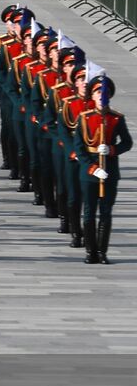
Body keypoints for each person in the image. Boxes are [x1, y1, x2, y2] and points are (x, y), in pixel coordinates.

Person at [78, 75, 131, 264]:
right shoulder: (84, 119)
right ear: (92, 96)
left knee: (106, 212)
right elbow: (79, 148)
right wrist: (93, 168)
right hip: (90, 173)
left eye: (105, 93)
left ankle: (102, 252)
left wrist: (112, 149)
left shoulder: (116, 118)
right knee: (89, 212)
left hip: (110, 171)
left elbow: (128, 142)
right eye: (98, 92)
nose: (102, 96)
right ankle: (90, 251)